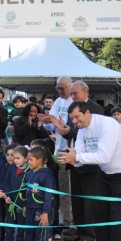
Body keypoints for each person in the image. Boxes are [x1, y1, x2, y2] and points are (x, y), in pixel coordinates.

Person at [59, 101, 121, 241]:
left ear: (87, 112)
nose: (74, 121)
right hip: (105, 172)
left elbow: (103, 156)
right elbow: (80, 159)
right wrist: (73, 159)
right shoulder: (81, 130)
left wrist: (78, 157)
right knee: (101, 212)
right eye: (72, 118)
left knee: (117, 216)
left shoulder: (107, 125)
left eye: (76, 117)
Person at [59, 80, 104, 241]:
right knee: (76, 198)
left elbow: (89, 134)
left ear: (85, 91)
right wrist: (63, 130)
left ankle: (90, 234)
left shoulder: (95, 108)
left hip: (90, 163)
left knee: (89, 201)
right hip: (75, 159)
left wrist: (70, 131)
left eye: (75, 93)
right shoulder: (73, 108)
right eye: (70, 93)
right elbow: (73, 134)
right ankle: (78, 228)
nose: (72, 96)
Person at [38, 76, 74, 232]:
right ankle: (66, 220)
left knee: (72, 186)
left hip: (72, 148)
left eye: (62, 88)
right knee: (63, 186)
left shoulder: (75, 101)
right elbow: (50, 125)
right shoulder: (58, 102)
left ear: (71, 87)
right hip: (59, 148)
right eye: (58, 88)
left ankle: (72, 220)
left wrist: (58, 124)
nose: (60, 91)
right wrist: (45, 121)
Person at [23, 146, 55, 241]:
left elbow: (48, 195)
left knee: (39, 234)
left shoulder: (46, 176)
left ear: (40, 160)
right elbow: (27, 190)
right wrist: (26, 204)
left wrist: (45, 212)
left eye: (30, 159)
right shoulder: (30, 173)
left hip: (41, 210)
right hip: (31, 208)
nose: (28, 162)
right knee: (30, 232)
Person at [1, 145, 28, 241]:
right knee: (9, 223)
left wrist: (26, 203)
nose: (14, 160)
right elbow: (6, 182)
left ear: (26, 158)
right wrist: (7, 195)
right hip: (10, 201)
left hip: (22, 203)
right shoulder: (11, 168)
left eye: (18, 158)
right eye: (13, 157)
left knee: (22, 223)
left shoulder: (29, 170)